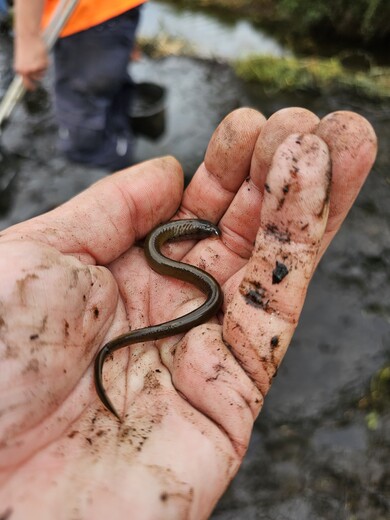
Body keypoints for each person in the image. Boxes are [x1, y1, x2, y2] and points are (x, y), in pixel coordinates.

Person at [0, 107, 377, 518]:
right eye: (205, 230)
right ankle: (129, 340)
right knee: (208, 288)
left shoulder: (179, 248)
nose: (210, 232)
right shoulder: (164, 248)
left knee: (212, 291)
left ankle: (135, 337)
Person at [13, 0, 148, 171]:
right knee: (110, 90)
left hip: (84, 17)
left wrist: (27, 38)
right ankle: (121, 148)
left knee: (81, 108)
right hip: (118, 10)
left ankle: (106, 164)